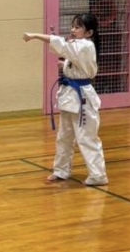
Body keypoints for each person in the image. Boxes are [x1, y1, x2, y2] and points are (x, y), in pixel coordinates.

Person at [23, 13, 108, 186]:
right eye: (73, 26)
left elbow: (62, 44)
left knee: (86, 137)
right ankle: (61, 170)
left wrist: (35, 35)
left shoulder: (85, 45)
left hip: (82, 97)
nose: (72, 30)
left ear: (89, 32)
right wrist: (66, 65)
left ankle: (98, 175)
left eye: (77, 27)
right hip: (70, 96)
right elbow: (76, 60)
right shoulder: (80, 46)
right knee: (64, 136)